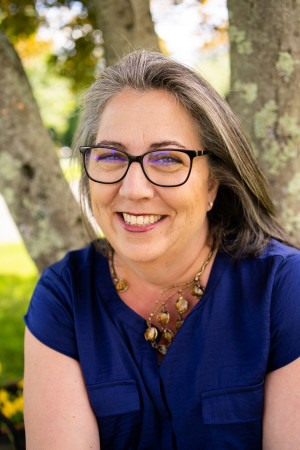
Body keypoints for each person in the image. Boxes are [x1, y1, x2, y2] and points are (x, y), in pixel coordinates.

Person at [23, 50, 300, 449]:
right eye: (111, 156)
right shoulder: (65, 295)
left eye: (168, 158)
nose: (134, 189)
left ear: (212, 185)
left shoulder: (283, 289)